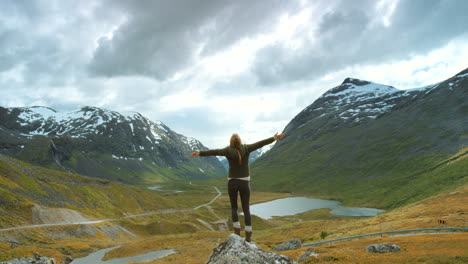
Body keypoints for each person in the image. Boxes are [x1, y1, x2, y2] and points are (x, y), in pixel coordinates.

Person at [190, 132, 285, 242]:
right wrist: (274, 138)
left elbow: (214, 151)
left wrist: (199, 153)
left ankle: (237, 231)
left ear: (231, 141)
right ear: (240, 141)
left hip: (232, 182)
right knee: (246, 209)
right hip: (244, 182)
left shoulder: (227, 150)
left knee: (234, 207)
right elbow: (260, 144)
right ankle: (248, 234)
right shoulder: (247, 148)